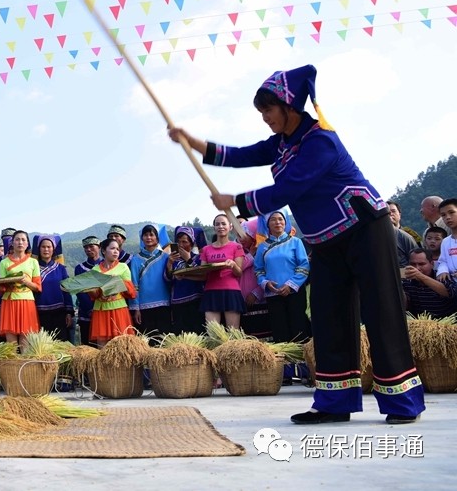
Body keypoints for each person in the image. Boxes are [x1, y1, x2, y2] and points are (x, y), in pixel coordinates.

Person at [169, 63, 425, 425]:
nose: (265, 119)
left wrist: (237, 202)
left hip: (364, 227)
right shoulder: (282, 144)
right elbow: (242, 155)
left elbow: (291, 188)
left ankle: (402, 403)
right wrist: (191, 142)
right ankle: (335, 403)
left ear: (289, 106)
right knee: (328, 316)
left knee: (381, 311)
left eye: (268, 110)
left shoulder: (320, 138)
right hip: (325, 239)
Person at [254, 211, 311, 344]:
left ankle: (301, 362)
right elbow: (258, 270)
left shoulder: (295, 242)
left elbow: (304, 265)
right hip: (272, 293)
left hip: (294, 292)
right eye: (273, 220)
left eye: (281, 219)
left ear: (285, 222)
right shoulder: (262, 247)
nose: (277, 222)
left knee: (298, 326)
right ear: (268, 224)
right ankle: (283, 362)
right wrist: (266, 283)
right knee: (279, 328)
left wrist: (290, 285)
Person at [0, 230, 42, 349]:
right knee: (12, 347)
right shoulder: (4, 262)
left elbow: (38, 287)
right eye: (17, 239)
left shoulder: (33, 262)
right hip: (9, 302)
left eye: (23, 240)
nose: (20, 242)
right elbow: (3, 287)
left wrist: (25, 281)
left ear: (27, 244)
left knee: (25, 346)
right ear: (12, 243)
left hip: (27, 302)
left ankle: (25, 367)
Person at [197, 214, 246, 329]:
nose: (220, 226)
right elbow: (203, 274)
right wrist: (185, 275)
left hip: (231, 292)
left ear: (230, 227)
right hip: (211, 292)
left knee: (233, 334)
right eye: (217, 224)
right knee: (213, 334)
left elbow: (239, 273)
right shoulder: (206, 249)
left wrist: (233, 265)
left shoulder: (237, 247)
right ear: (214, 227)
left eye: (224, 223)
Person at [87, 239, 137, 347]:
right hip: (101, 310)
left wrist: (117, 282)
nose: (116, 251)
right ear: (104, 251)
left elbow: (130, 291)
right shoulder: (95, 270)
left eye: (117, 249)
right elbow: (93, 294)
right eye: (112, 248)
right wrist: (97, 293)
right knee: (102, 345)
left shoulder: (123, 267)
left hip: (118, 309)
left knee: (121, 344)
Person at [130, 225, 172, 337]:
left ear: (157, 238)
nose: (148, 237)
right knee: (148, 340)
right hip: (144, 306)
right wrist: (136, 308)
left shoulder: (165, 257)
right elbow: (134, 284)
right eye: (146, 235)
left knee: (164, 338)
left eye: (151, 234)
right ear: (142, 238)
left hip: (164, 304)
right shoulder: (136, 259)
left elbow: (170, 278)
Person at [164, 226, 205, 334]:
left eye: (184, 242)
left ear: (191, 244)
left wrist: (189, 259)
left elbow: (202, 275)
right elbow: (168, 280)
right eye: (178, 242)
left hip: (195, 302)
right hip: (178, 303)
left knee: (197, 333)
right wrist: (169, 264)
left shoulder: (198, 258)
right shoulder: (172, 260)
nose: (181, 245)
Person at [33, 236, 73, 341]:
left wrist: (69, 312)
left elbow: (67, 291)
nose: (46, 249)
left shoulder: (61, 269)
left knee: (60, 343)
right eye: (43, 247)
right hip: (39, 313)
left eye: (48, 247)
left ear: (53, 249)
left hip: (59, 314)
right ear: (39, 249)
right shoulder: (33, 268)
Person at [402, 249, 457, 317]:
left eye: (421, 264)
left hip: (444, 323)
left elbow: (450, 293)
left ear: (432, 264)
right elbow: (404, 305)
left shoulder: (441, 276)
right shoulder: (407, 281)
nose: (417, 268)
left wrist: (421, 277)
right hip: (418, 324)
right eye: (413, 264)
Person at [73, 236, 101, 346]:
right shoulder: (79, 268)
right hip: (86, 312)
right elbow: (80, 291)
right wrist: (90, 309)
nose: (88, 250)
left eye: (91, 246)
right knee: (88, 345)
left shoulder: (106, 265)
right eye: (86, 247)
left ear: (99, 247)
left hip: (104, 309)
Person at [435, 199, 457, 281]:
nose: (447, 217)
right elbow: (443, 261)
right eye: (443, 215)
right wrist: (443, 271)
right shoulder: (445, 241)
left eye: (451, 212)